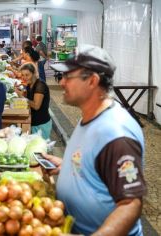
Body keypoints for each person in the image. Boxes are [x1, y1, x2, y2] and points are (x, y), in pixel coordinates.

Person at [47, 45, 147, 235]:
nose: (61, 83)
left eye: (68, 76)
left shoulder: (116, 133)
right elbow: (97, 164)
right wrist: (66, 165)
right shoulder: (89, 117)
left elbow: (130, 203)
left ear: (92, 80)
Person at [15, 63, 52, 140]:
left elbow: (36, 106)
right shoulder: (29, 85)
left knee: (40, 149)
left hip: (41, 124)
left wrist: (22, 97)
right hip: (34, 122)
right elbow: (30, 99)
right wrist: (23, 94)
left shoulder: (40, 85)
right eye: (23, 75)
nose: (24, 77)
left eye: (27, 75)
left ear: (34, 73)